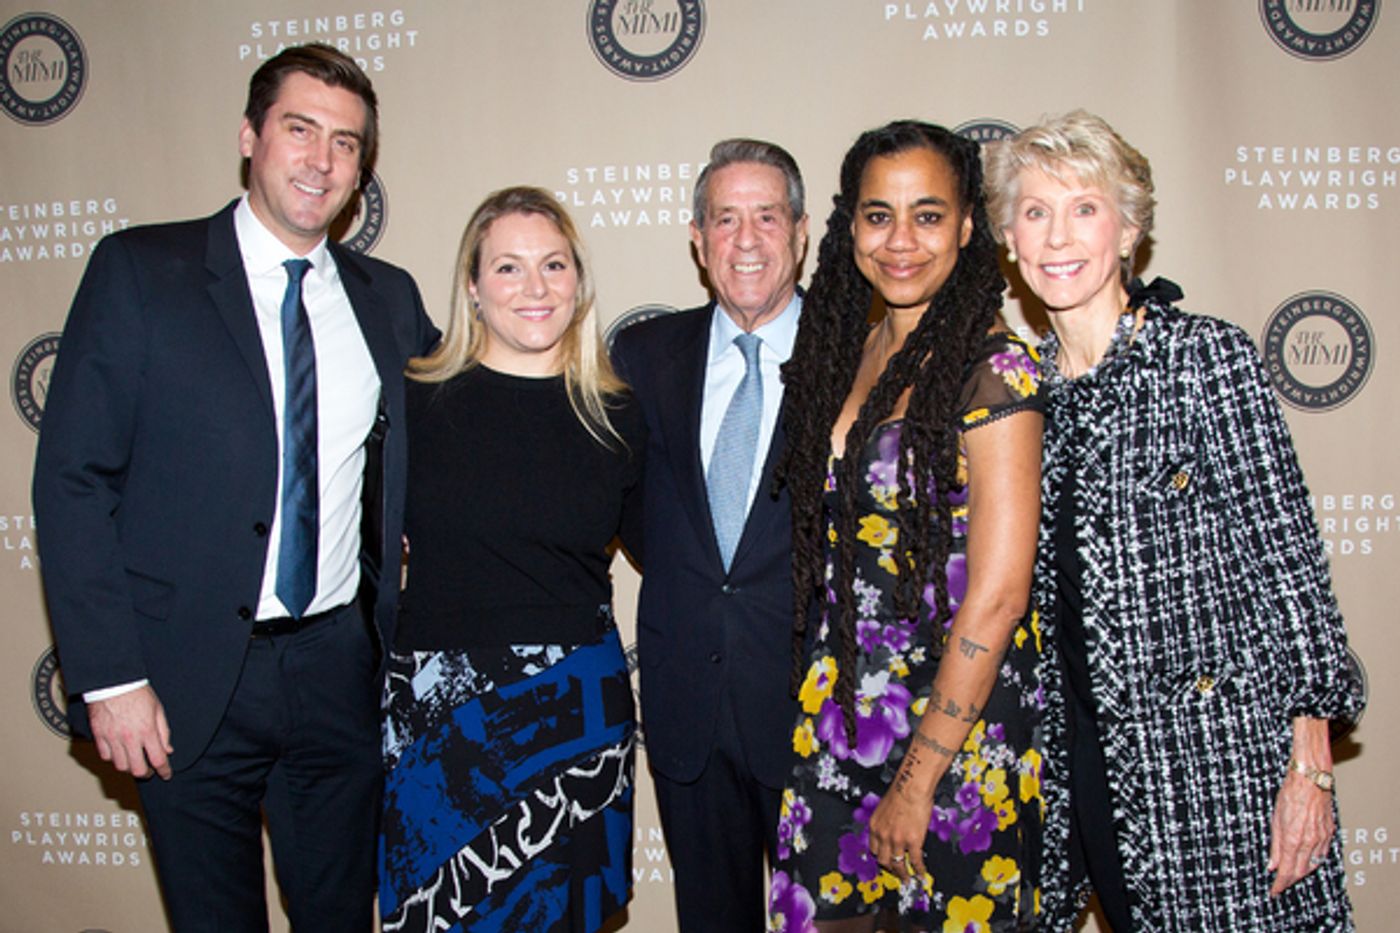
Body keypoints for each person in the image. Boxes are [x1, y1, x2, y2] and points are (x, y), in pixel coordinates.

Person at [32, 44, 439, 931]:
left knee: (340, 917)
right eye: (300, 130)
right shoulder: (141, 273)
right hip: (182, 679)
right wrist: (109, 677)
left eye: (345, 142)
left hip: (340, 669)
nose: (321, 160)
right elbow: (73, 480)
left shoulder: (388, 300)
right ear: (249, 136)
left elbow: (463, 432)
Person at [983, 110, 1365, 931]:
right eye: (1036, 211)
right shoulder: (1019, 396)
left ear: (1129, 229)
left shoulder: (1203, 359)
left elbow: (1289, 566)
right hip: (1085, 764)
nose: (1059, 235)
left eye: (1085, 208)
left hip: (1220, 764)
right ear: (1009, 239)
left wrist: (1310, 771)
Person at [767, 121, 1047, 932]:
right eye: (878, 215)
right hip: (840, 711)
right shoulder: (842, 351)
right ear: (849, 225)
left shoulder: (994, 368)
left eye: (928, 216)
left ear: (967, 227)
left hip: (954, 735)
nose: (901, 241)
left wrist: (920, 776)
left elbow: (997, 595)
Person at [378, 186, 643, 933]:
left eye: (554, 265)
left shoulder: (618, 411)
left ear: (579, 282)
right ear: (472, 285)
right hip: (437, 704)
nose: (535, 288)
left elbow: (673, 551)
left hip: (575, 710)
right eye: (508, 268)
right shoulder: (411, 404)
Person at [610, 138, 809, 931]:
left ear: (800, 231)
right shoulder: (644, 355)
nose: (747, 239)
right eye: (725, 218)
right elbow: (629, 513)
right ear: (697, 238)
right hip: (688, 695)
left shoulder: (860, 354)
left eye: (767, 215)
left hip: (820, 708)